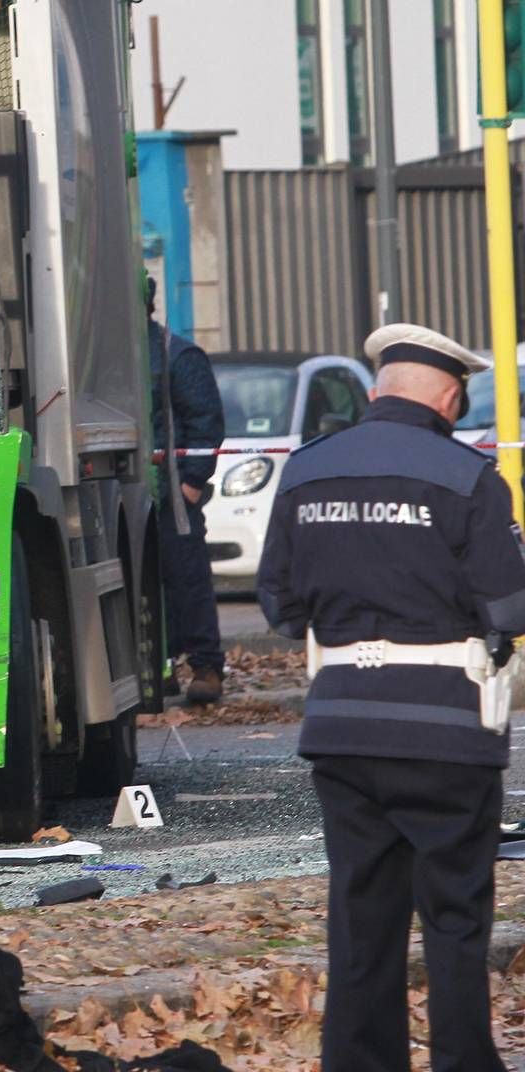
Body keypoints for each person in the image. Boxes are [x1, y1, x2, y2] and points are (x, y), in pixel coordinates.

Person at [257, 323, 525, 1072]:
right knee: (454, 915)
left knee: (361, 916)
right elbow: (511, 609)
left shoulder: (308, 471)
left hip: (341, 726)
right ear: (448, 394)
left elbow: (278, 605)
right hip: (446, 731)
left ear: (379, 388)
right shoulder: (467, 476)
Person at [148, 281, 227, 704]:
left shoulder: (177, 356)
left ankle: (206, 666)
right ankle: (160, 667)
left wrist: (191, 484)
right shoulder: (110, 359)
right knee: (150, 586)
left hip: (174, 498)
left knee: (187, 581)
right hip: (140, 494)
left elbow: (205, 423)